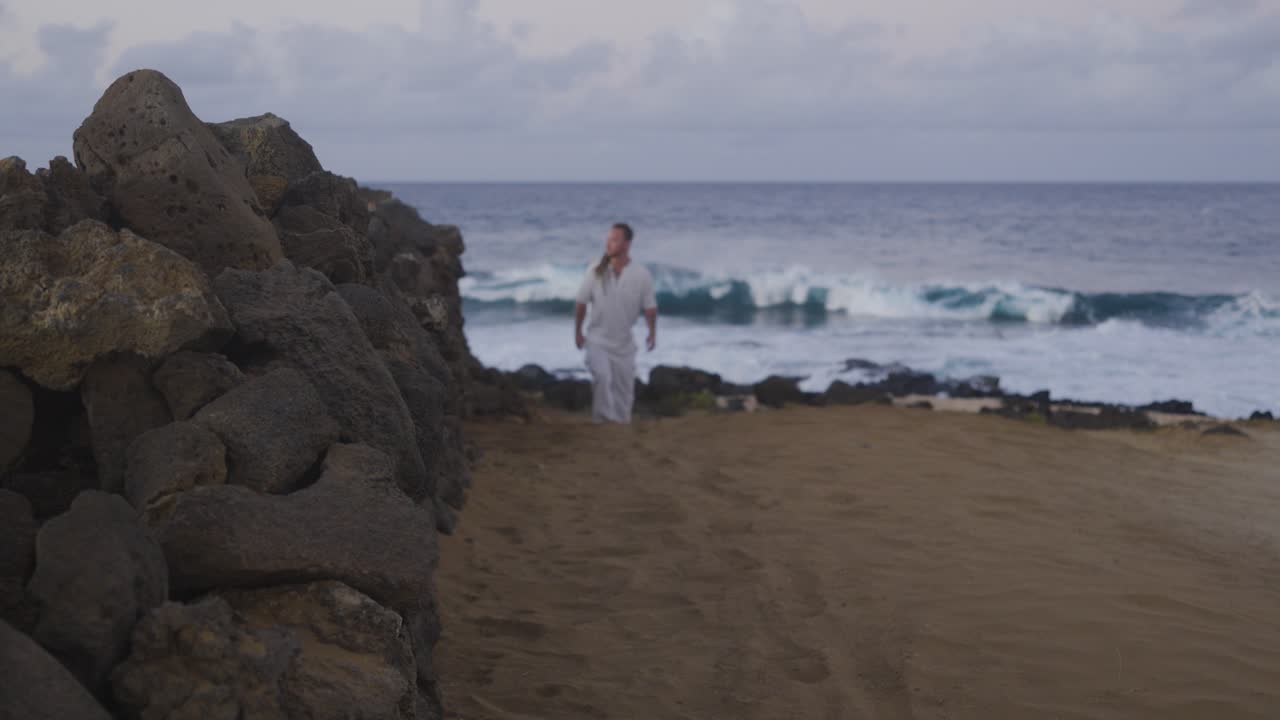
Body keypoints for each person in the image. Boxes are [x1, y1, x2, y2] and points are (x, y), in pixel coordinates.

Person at [574, 222, 658, 423]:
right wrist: (577, 332)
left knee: (624, 393)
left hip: (624, 344)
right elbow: (581, 302)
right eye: (608, 239)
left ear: (627, 244)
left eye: (614, 239)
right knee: (602, 377)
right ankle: (602, 423)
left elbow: (650, 308)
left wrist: (652, 333)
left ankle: (620, 428)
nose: (608, 243)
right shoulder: (596, 269)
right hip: (596, 340)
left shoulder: (641, 274)